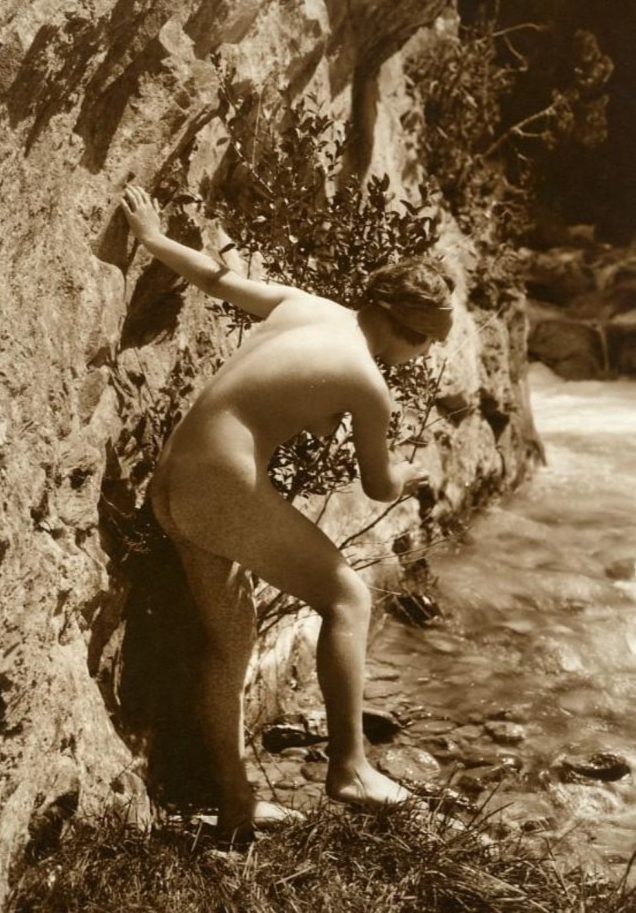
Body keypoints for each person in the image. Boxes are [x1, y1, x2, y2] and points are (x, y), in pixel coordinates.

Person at [121, 184, 453, 838]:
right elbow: (380, 485)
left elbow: (218, 279)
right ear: (411, 331)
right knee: (349, 597)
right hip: (217, 488)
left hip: (173, 483)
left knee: (230, 641)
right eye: (424, 345)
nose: (419, 357)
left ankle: (235, 804)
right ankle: (350, 766)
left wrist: (154, 239)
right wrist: (413, 473)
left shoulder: (307, 306)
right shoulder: (366, 380)